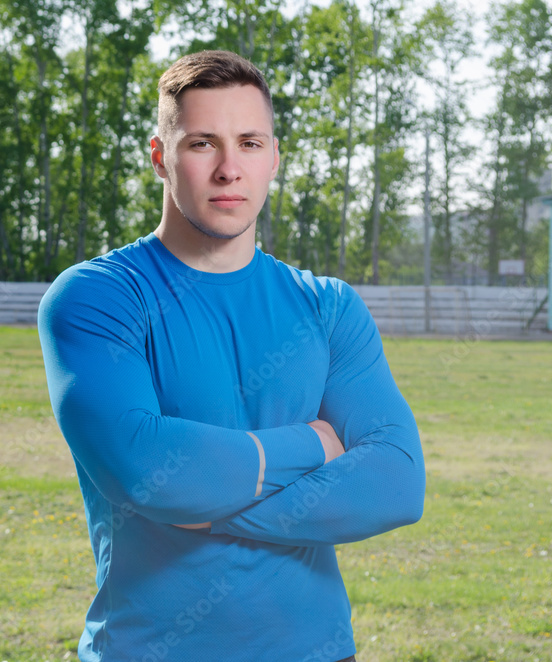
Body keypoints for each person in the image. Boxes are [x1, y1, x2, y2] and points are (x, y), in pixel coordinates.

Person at [36, 50, 425, 662]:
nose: (228, 169)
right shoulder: (98, 296)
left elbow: (396, 483)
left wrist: (207, 512)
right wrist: (316, 446)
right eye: (201, 144)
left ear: (273, 157)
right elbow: (143, 469)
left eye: (249, 143)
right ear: (161, 158)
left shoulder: (327, 306)